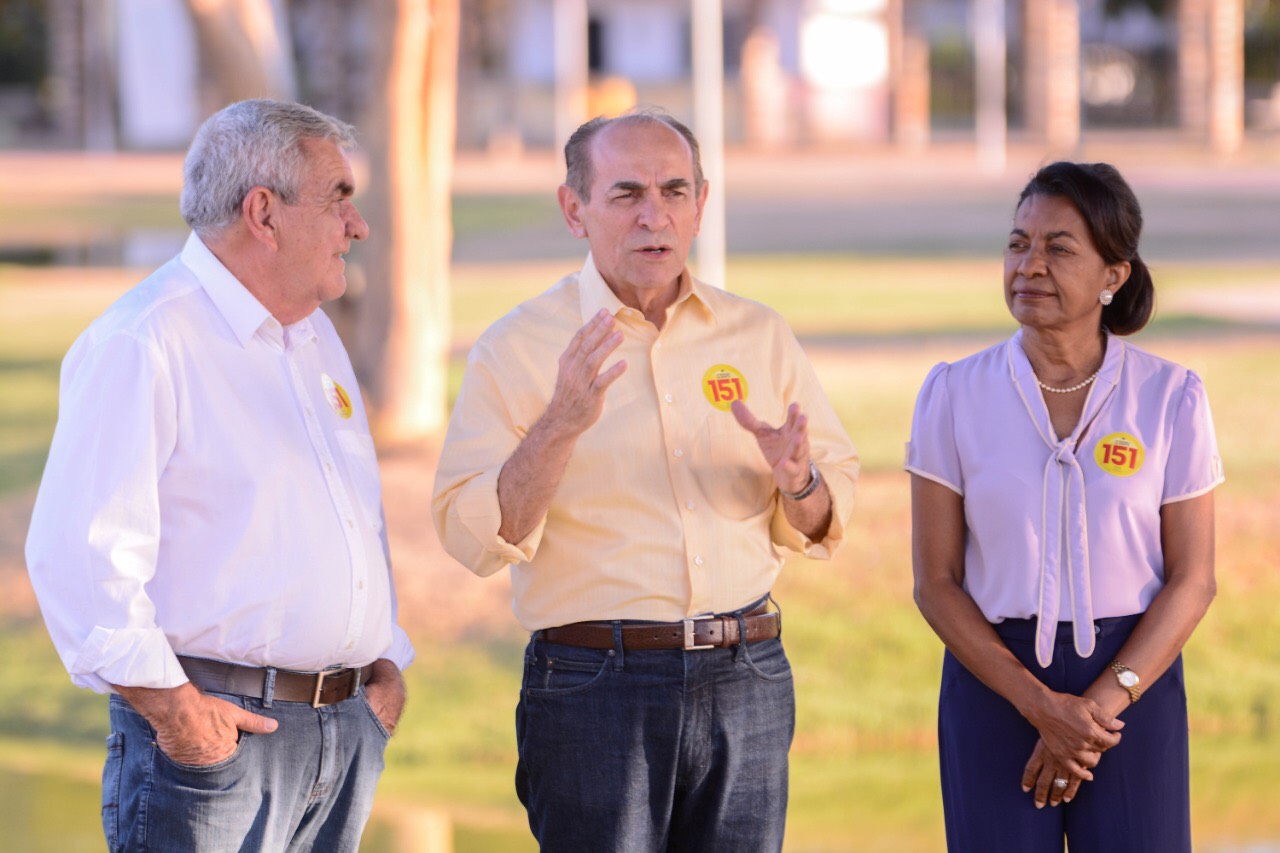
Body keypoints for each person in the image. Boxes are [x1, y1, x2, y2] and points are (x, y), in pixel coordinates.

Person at [432, 109, 859, 851]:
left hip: (746, 674)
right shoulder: (517, 348)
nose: (653, 214)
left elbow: (828, 513)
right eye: (626, 193)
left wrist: (799, 479)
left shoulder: (758, 334)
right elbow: (474, 537)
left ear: (701, 202)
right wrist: (560, 420)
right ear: (575, 209)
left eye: (674, 190)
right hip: (594, 687)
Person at [25, 99, 414, 852]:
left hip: (343, 738)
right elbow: (80, 563)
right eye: (339, 197)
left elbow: (347, 517)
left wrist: (383, 668)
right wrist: (181, 718)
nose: (358, 224)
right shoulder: (144, 341)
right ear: (263, 212)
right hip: (217, 750)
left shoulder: (315, 335)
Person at [906, 161, 1223, 852]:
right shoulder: (953, 394)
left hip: (1132, 692)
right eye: (1018, 243)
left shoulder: (1171, 397)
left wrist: (1095, 710)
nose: (1030, 264)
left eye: (1058, 247)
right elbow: (935, 582)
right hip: (994, 685)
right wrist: (1039, 706)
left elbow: (1193, 579)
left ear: (1115, 274)